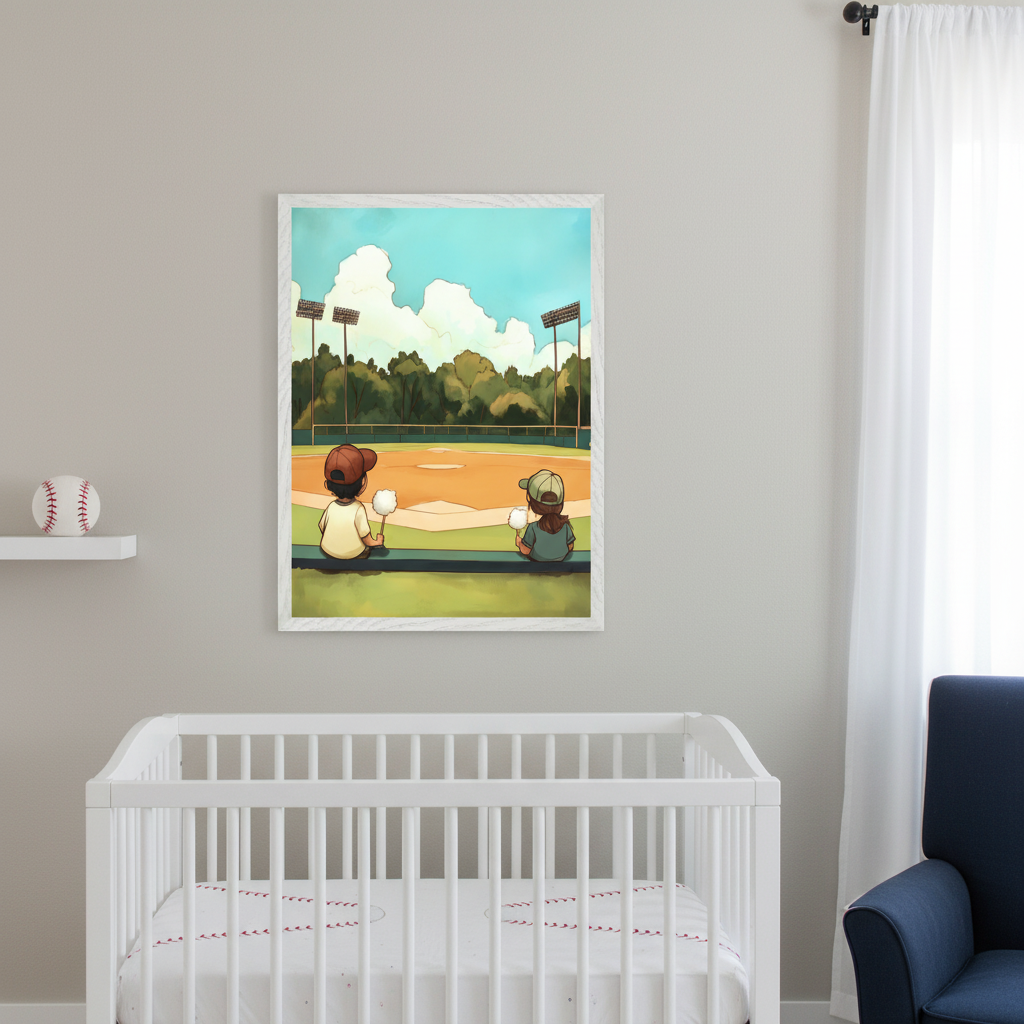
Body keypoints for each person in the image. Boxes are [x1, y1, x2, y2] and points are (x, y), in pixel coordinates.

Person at [317, 444, 386, 559]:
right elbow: (367, 539)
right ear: (362, 482)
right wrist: (377, 542)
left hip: (327, 550)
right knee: (367, 550)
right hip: (353, 555)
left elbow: (322, 527)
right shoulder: (358, 508)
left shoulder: (331, 506)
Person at [515, 469, 575, 562]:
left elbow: (526, 551)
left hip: (537, 563)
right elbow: (570, 546)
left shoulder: (533, 527)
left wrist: (519, 543)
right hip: (561, 559)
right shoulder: (565, 526)